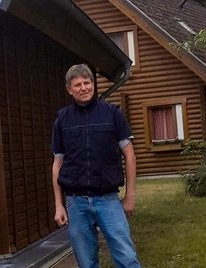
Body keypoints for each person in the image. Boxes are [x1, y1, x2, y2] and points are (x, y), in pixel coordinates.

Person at [51, 64, 140, 268]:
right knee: (86, 262)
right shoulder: (62, 120)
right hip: (76, 203)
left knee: (127, 258)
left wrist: (130, 197)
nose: (84, 88)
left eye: (87, 82)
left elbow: (130, 155)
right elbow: (57, 164)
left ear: (93, 84)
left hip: (108, 200)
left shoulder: (112, 114)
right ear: (69, 89)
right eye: (78, 84)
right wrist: (59, 205)